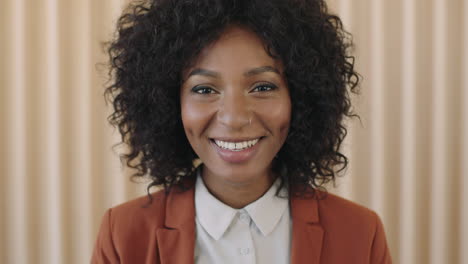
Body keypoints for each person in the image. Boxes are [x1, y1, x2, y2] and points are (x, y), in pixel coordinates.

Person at [92, 0, 392, 263]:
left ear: (299, 98)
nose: (234, 118)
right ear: (171, 104)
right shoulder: (123, 234)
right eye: (204, 89)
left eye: (263, 87)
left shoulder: (360, 233)